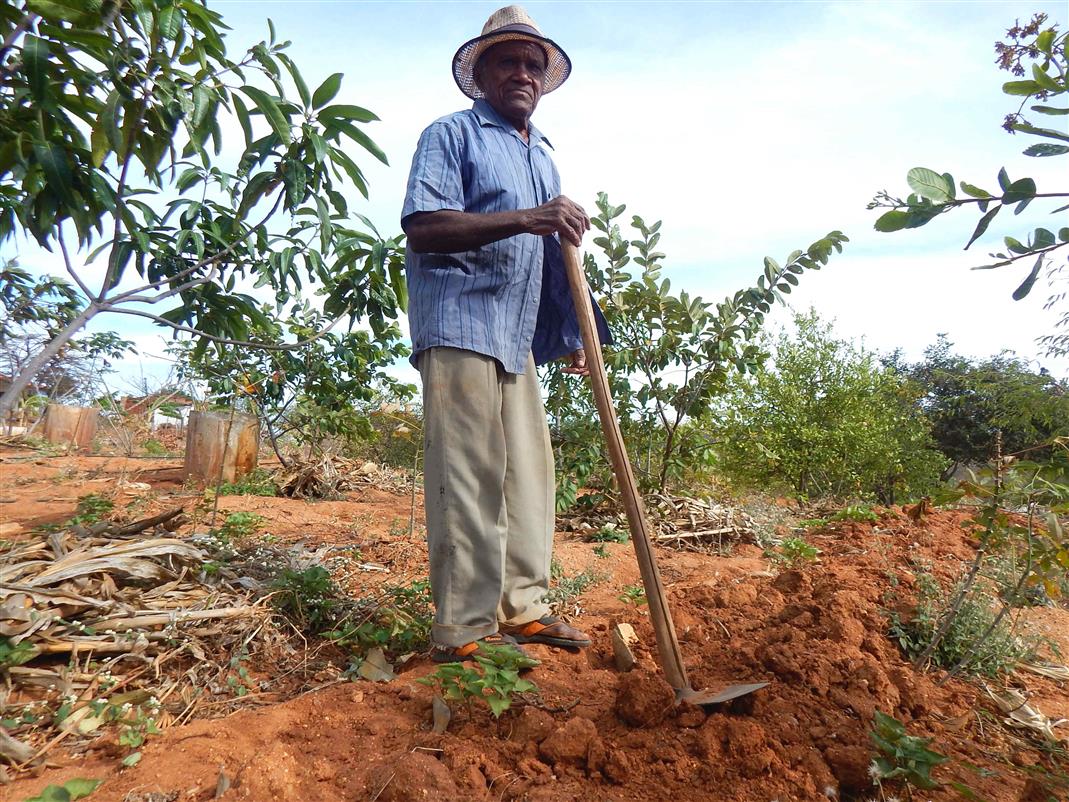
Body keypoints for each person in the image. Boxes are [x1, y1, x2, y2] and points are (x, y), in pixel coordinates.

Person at [401, 5, 610, 663]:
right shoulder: (451, 135)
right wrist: (528, 217)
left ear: (543, 80)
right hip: (460, 323)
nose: (521, 72)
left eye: (532, 63)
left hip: (515, 336)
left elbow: (552, 256)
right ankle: (462, 630)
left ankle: (523, 610)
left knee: (528, 477)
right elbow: (424, 226)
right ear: (481, 74)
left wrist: (575, 330)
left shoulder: (541, 155)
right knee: (468, 478)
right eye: (507, 61)